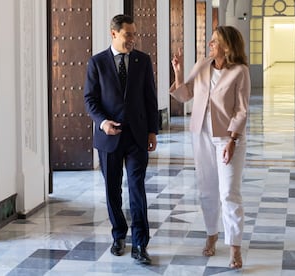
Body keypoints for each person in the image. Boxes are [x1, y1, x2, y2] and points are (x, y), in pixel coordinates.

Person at [170, 26, 250, 269]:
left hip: (228, 138)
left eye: (215, 41)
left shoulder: (240, 71)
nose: (210, 44)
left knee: (229, 192)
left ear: (227, 46)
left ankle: (235, 247)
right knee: (207, 188)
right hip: (201, 135)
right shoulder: (202, 65)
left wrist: (232, 140)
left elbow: (242, 109)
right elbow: (185, 95)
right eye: (211, 40)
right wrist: (178, 74)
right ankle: (211, 233)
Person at [84, 14, 158, 265]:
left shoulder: (143, 60)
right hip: (109, 136)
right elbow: (90, 99)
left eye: (134, 34)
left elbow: (150, 97)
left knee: (137, 188)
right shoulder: (97, 63)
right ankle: (119, 235)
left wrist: (152, 131)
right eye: (128, 34)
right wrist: (103, 123)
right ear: (113, 34)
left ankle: (140, 243)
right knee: (112, 189)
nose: (132, 39)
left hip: (137, 136)